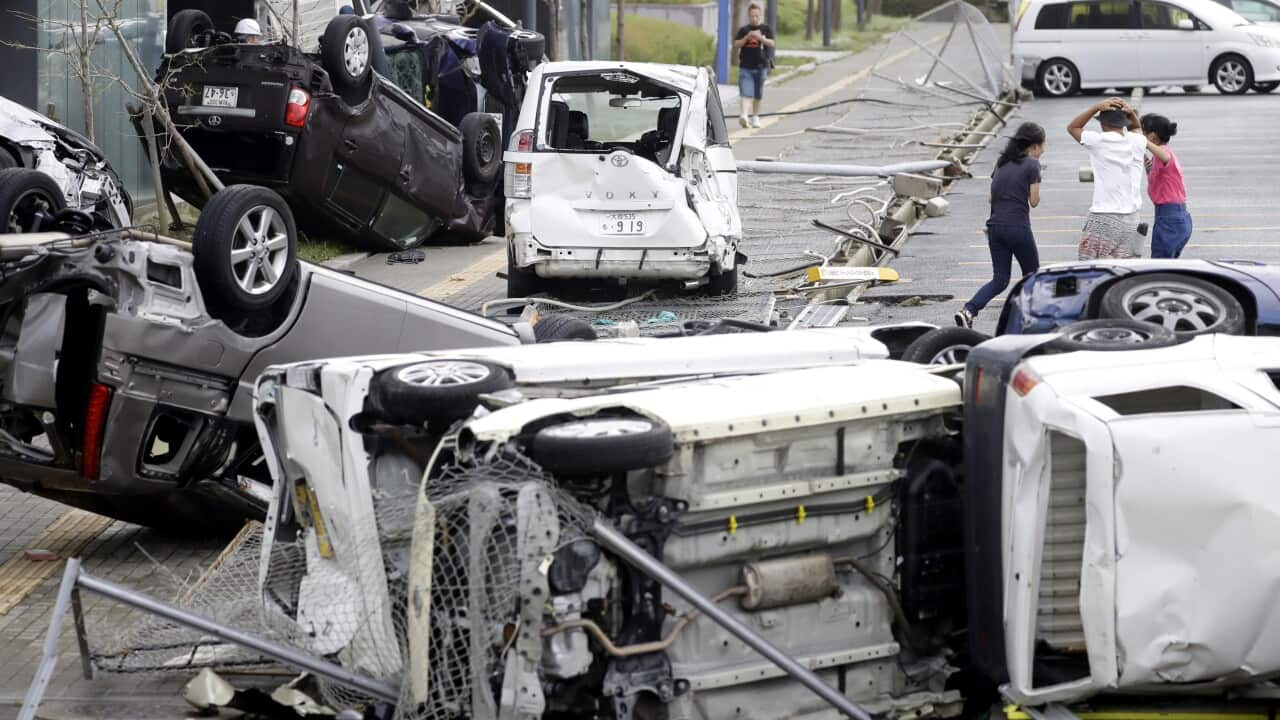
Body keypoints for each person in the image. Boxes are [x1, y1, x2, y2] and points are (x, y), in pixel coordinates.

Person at [955, 122, 1045, 329]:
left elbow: (990, 197)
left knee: (1000, 279)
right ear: (1034, 146)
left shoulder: (1002, 162)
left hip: (995, 227)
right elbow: (1034, 201)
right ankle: (1030, 318)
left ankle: (968, 310)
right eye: (1043, 145)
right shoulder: (1032, 164)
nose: (1044, 150)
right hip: (1018, 227)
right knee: (1032, 276)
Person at [1067, 97, 1155, 259]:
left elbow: (1073, 127)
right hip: (1131, 219)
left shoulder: (1098, 140)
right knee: (1123, 271)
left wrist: (1095, 107)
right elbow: (1136, 128)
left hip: (1104, 217)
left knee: (1089, 269)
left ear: (1102, 123)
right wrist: (1132, 114)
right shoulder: (1137, 141)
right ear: (1124, 123)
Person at [1140, 113, 1189, 258]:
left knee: (1160, 265)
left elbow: (1165, 156)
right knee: (1167, 264)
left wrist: (1142, 142)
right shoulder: (1157, 157)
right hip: (1172, 217)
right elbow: (1159, 183)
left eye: (1143, 133)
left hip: (1170, 219)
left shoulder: (1165, 152)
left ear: (1153, 136)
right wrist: (1149, 170)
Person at [733, 3, 775, 129]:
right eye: (752, 16)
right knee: (746, 93)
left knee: (758, 94)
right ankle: (744, 115)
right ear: (748, 16)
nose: (754, 18)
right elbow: (737, 44)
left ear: (760, 15)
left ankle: (755, 116)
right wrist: (746, 37)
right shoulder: (744, 30)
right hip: (746, 67)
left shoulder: (766, 29)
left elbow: (772, 43)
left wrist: (761, 38)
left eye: (756, 16)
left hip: (761, 66)